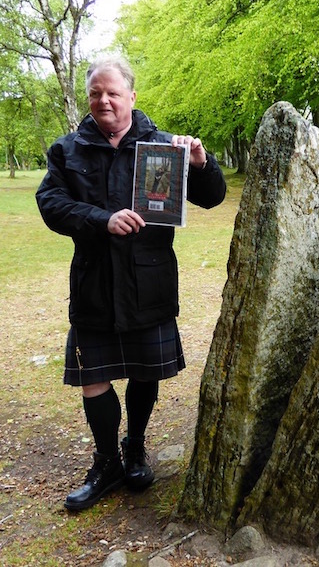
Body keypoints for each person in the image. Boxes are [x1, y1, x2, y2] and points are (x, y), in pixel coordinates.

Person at [36, 56, 226, 511]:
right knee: (93, 380)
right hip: (94, 284)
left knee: (145, 371)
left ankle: (134, 446)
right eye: (96, 94)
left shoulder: (164, 146)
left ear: (131, 96)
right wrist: (103, 219)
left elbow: (212, 197)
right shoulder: (68, 150)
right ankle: (106, 463)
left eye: (113, 93)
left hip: (149, 282)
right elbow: (50, 203)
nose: (104, 101)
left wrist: (200, 162)